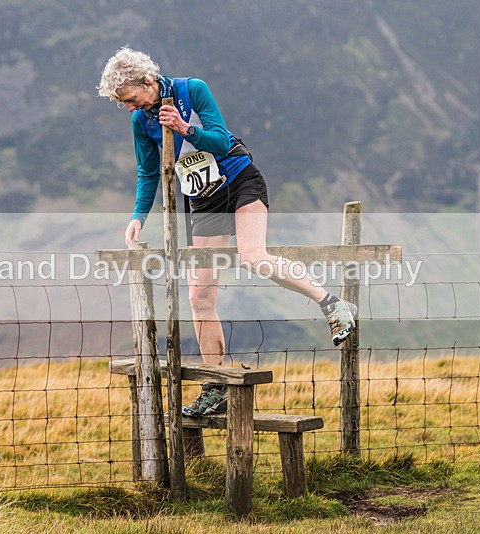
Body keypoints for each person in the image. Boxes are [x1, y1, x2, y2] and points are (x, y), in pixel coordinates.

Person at [97, 47, 357, 418]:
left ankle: (332, 303)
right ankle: (216, 384)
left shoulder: (192, 90)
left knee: (254, 256)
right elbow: (148, 172)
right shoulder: (141, 121)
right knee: (199, 295)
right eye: (122, 103)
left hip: (239, 179)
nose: (129, 107)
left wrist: (185, 129)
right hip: (202, 199)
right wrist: (138, 216)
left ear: (148, 81)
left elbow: (220, 139)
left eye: (130, 98)